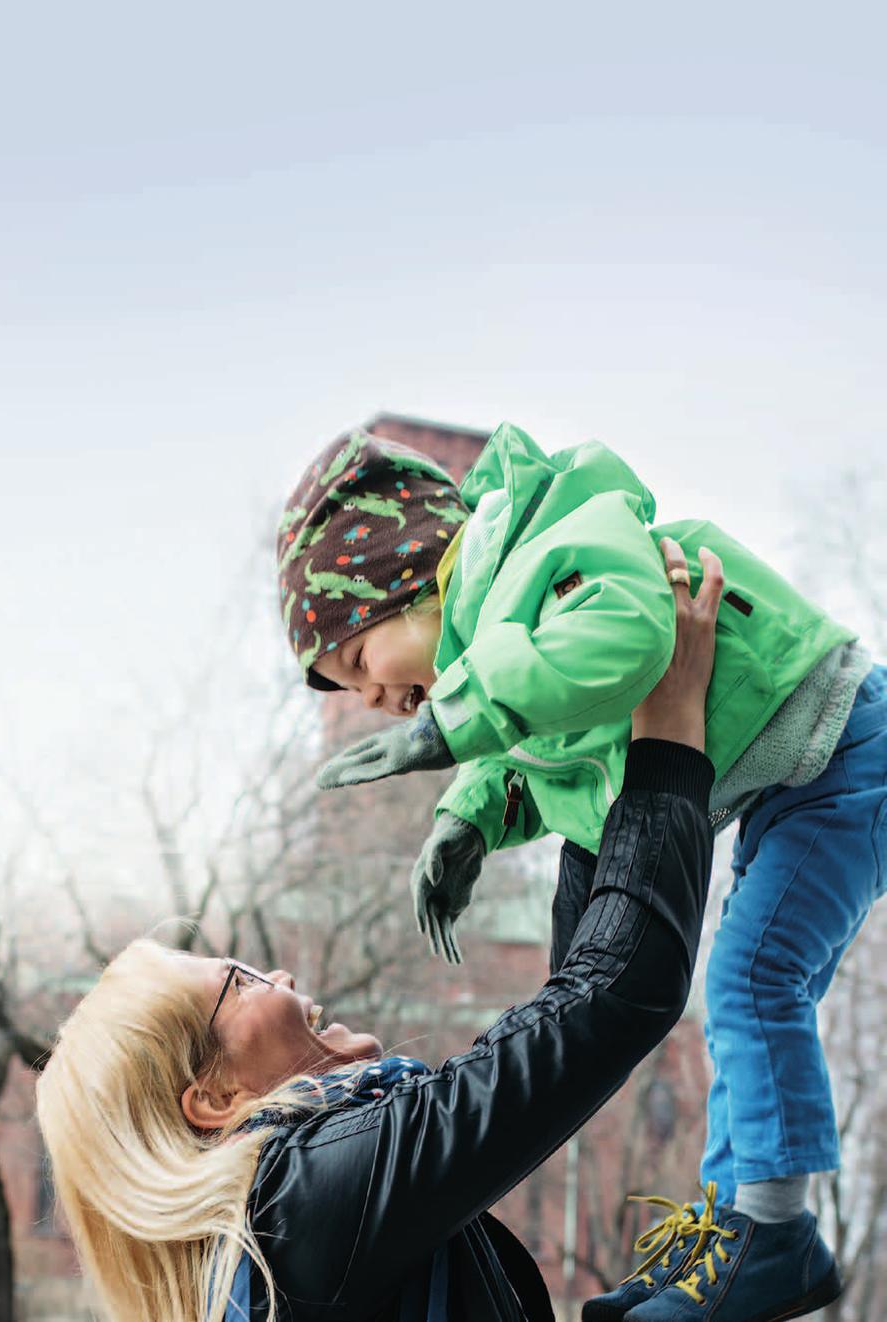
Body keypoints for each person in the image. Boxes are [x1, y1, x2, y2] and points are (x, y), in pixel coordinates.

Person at [278, 423, 878, 1319]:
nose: (368, 699)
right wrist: (467, 820)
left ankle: (775, 1233)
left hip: (844, 749)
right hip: (793, 780)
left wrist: (454, 724)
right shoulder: (509, 635)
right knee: (684, 980)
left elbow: (631, 634)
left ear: (416, 577)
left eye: (360, 662)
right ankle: (726, 1234)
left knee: (754, 976)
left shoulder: (553, 539)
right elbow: (554, 755)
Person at [37, 541, 722, 1321]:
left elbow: (567, 1031)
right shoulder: (302, 1207)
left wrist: (585, 780)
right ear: (214, 1097)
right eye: (241, 983)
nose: (284, 979)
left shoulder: (280, 1251)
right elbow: (608, 999)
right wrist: (666, 730)